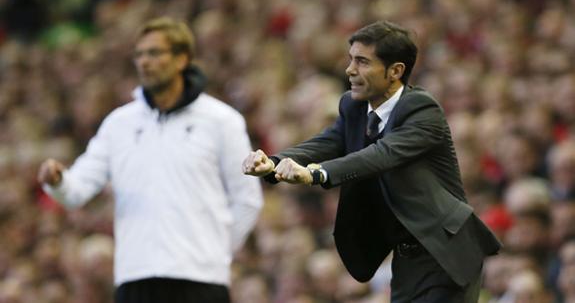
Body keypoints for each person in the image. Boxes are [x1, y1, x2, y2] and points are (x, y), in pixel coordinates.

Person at [243, 20, 501, 303]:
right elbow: (327, 142)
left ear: (396, 71)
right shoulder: (353, 106)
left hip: (445, 251)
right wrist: (275, 162)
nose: (350, 70)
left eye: (363, 62)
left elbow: (382, 154)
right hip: (405, 258)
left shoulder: (421, 109)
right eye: (351, 59)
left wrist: (316, 175)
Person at [38, 17, 263, 303]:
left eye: (155, 53)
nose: (144, 62)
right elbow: (78, 189)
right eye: (139, 55)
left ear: (182, 59)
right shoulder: (119, 124)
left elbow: (247, 198)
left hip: (201, 280)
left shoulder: (221, 121)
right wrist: (58, 181)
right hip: (136, 277)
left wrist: (216, 252)